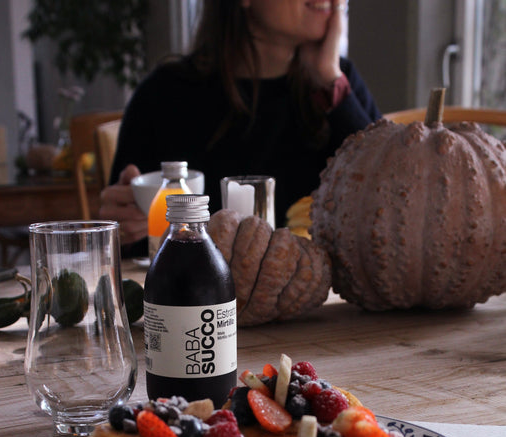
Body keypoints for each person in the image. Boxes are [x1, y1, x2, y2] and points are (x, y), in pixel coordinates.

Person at [100, 0, 381, 253]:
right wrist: (123, 225)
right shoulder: (164, 95)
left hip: (318, 302)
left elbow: (389, 192)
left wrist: (329, 80)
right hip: (200, 301)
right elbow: (129, 242)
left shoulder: (337, 86)